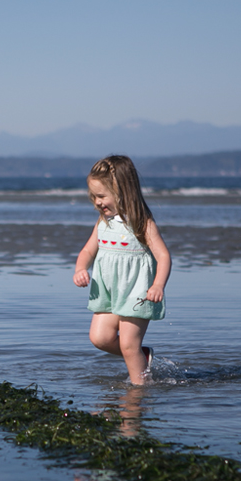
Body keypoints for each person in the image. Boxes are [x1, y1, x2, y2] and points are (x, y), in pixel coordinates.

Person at [73, 155, 171, 385]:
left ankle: (139, 390)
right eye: (93, 196)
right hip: (109, 290)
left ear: (122, 192)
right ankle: (142, 356)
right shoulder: (103, 223)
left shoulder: (142, 223)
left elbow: (163, 256)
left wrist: (158, 285)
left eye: (101, 196)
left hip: (137, 291)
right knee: (100, 338)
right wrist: (80, 269)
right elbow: (87, 251)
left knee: (128, 345)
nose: (97, 202)